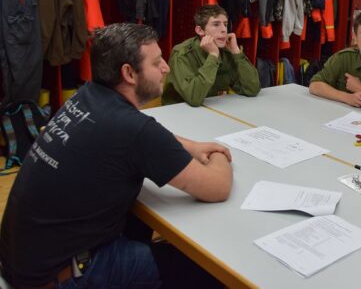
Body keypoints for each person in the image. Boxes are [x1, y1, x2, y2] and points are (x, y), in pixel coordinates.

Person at [0, 23, 233, 288]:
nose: (165, 68)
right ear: (129, 73)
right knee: (202, 271)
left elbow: (140, 138)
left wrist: (190, 146)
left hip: (25, 264)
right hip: (62, 278)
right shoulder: (134, 130)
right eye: (157, 62)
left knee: (143, 229)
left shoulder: (86, 96)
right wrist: (221, 152)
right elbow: (218, 187)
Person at [162, 5, 260, 106]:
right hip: (179, 114)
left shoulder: (226, 51)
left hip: (212, 110)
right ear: (200, 30)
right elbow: (194, 98)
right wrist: (213, 55)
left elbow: (252, 89)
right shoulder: (182, 54)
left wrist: (236, 52)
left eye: (225, 24)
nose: (223, 30)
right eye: (216, 24)